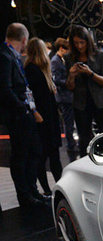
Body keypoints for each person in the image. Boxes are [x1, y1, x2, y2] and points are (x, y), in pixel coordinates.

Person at [0, 22, 45, 209]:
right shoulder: (5, 56)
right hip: (17, 115)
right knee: (21, 156)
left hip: (23, 113)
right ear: (24, 39)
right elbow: (5, 88)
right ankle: (25, 196)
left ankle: (32, 191)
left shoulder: (11, 55)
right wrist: (22, 108)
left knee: (33, 152)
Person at [65, 25, 103, 155]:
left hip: (101, 102)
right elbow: (69, 87)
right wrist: (71, 75)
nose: (79, 46)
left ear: (88, 41)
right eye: (76, 43)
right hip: (81, 104)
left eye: (82, 42)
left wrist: (90, 73)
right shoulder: (69, 58)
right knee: (84, 140)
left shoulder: (101, 55)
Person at [24, 37, 62, 194]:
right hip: (44, 118)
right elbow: (30, 95)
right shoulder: (34, 70)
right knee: (46, 155)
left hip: (48, 117)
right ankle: (48, 189)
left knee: (51, 155)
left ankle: (54, 188)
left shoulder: (38, 69)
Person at [50, 37, 77, 159]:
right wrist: (68, 82)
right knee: (68, 122)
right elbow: (55, 79)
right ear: (62, 48)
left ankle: (72, 144)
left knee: (70, 122)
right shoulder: (55, 61)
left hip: (68, 96)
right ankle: (71, 145)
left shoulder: (61, 60)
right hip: (64, 97)